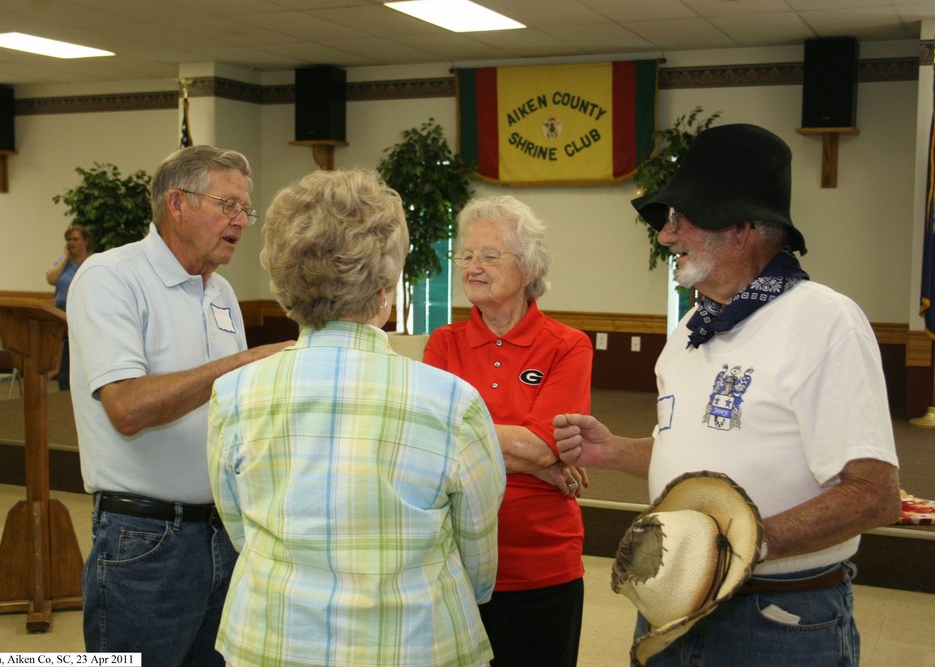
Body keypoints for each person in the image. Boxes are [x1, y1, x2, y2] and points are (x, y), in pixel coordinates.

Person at [553, 123, 901, 665]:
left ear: (741, 227)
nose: (666, 236)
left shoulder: (823, 321)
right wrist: (615, 451)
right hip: (671, 610)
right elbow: (711, 449)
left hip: (777, 623)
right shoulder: (695, 326)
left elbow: (874, 494)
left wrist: (741, 547)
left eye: (680, 219)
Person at [207, 168, 506, 667]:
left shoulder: (234, 394)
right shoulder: (451, 402)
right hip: (413, 642)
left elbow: (239, 527)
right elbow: (477, 552)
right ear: (386, 285)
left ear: (284, 282)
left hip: (272, 640)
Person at [66, 145, 290, 664]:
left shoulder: (222, 292)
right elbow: (127, 407)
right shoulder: (111, 277)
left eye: (245, 210)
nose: (241, 222)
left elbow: (231, 405)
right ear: (178, 203)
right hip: (145, 541)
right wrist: (248, 361)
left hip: (224, 532)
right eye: (228, 205)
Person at [423, 195, 593, 667]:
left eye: (489, 256)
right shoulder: (444, 344)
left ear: (529, 267)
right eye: (467, 255)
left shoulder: (568, 346)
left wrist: (536, 456)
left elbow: (540, 448)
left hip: (542, 564)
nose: (472, 267)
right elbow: (429, 439)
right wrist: (539, 464)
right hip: (454, 561)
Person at [45, 223, 92, 390]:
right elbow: (51, 279)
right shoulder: (63, 261)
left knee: (71, 355)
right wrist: (65, 258)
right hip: (59, 311)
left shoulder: (91, 262)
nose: (71, 243)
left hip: (80, 314)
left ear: (86, 241)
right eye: (69, 239)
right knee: (60, 353)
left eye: (76, 239)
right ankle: (60, 380)